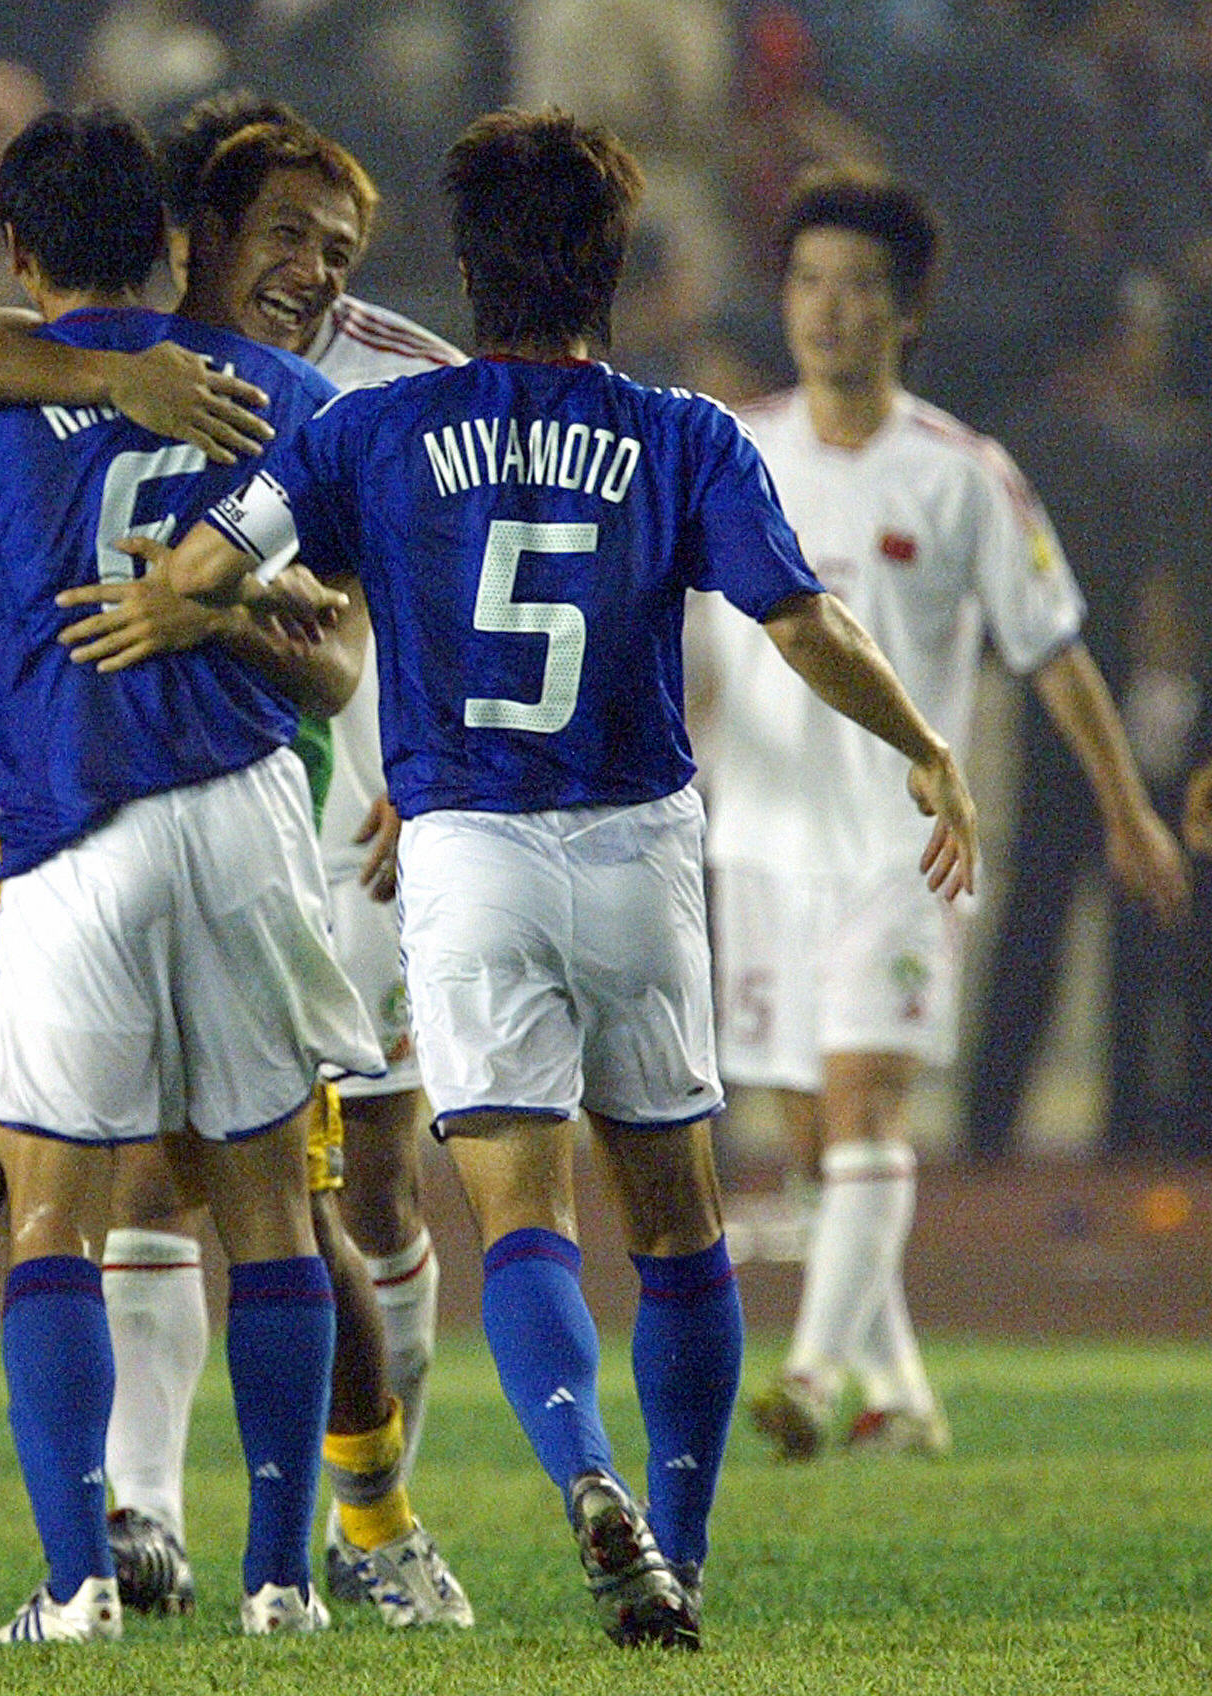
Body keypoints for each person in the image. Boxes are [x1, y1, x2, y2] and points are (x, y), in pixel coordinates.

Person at [147, 108, 981, 1650]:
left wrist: (219, 605)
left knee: (521, 1221)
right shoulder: (686, 434)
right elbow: (800, 622)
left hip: (465, 854)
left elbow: (203, 561)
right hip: (643, 854)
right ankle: (686, 1537)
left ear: (466, 268)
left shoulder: (369, 432)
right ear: (613, 266)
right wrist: (925, 747)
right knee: (678, 1221)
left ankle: (586, 1480)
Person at [0, 98, 474, 1632]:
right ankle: (275, 1569)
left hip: (74, 830)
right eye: (283, 234)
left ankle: (87, 1574)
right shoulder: (297, 393)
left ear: (24, 245)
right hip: (234, 831)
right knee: (260, 1205)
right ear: (191, 240)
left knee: (52, 1208)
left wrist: (196, 607)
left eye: (334, 246)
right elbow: (343, 647)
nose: (310, 266)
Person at [693, 171, 1189, 1462]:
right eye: (808, 283)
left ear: (907, 312)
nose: (829, 310)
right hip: (758, 844)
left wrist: (1127, 811)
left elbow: (1057, 651)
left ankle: (808, 1378)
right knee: (813, 1142)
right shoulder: (730, 451)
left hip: (909, 845)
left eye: (859, 287)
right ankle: (900, 1392)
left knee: (867, 1112)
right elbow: (677, 639)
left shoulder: (964, 476)